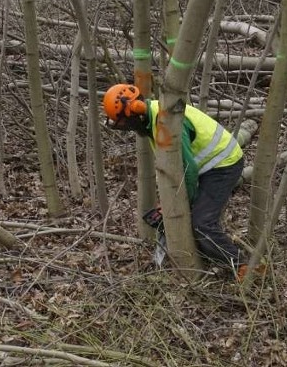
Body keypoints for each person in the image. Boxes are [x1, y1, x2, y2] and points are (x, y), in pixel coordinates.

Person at [102, 83, 259, 279]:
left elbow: (188, 169)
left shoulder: (166, 122)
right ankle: (209, 253)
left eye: (125, 124)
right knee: (196, 215)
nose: (128, 129)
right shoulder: (152, 120)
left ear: (136, 112)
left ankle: (242, 265)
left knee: (202, 223)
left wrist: (184, 201)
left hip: (223, 164)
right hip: (207, 165)